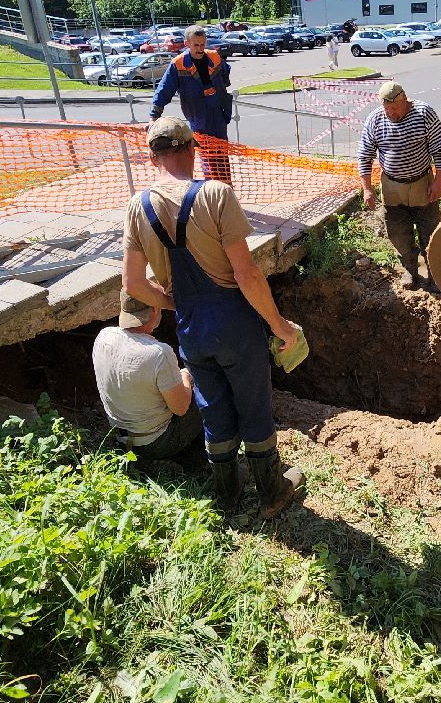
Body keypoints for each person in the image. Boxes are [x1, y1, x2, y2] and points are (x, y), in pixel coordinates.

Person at [122, 115, 305, 519]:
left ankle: (227, 496)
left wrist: (175, 305)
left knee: (213, 409)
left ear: (152, 158)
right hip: (234, 323)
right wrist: (279, 326)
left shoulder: (138, 206)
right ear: (192, 149)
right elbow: (247, 274)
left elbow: (132, 283)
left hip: (191, 329)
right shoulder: (216, 195)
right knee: (253, 407)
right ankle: (272, 493)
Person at [358, 80, 441, 293]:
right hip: (392, 187)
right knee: (398, 233)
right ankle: (410, 270)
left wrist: (438, 181)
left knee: (430, 232)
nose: (391, 113)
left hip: (422, 184)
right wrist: (367, 189)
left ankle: (435, 274)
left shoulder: (424, 113)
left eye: (395, 108)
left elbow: (440, 149)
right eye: (387, 109)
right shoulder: (375, 119)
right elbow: (364, 155)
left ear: (405, 100)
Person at [92, 289, 202, 460]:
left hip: (120, 437)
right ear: (154, 310)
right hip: (156, 443)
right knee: (213, 385)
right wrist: (186, 376)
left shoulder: (104, 336)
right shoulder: (159, 353)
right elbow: (181, 409)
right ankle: (210, 454)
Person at [149, 25, 234, 183]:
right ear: (187, 44)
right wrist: (154, 115)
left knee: (222, 155)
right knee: (208, 158)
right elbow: (163, 90)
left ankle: (226, 187)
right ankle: (212, 189)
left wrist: (221, 90)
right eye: (196, 45)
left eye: (203, 44)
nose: (200, 49)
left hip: (218, 113)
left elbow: (225, 71)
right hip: (199, 116)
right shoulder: (178, 64)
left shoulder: (214, 57)